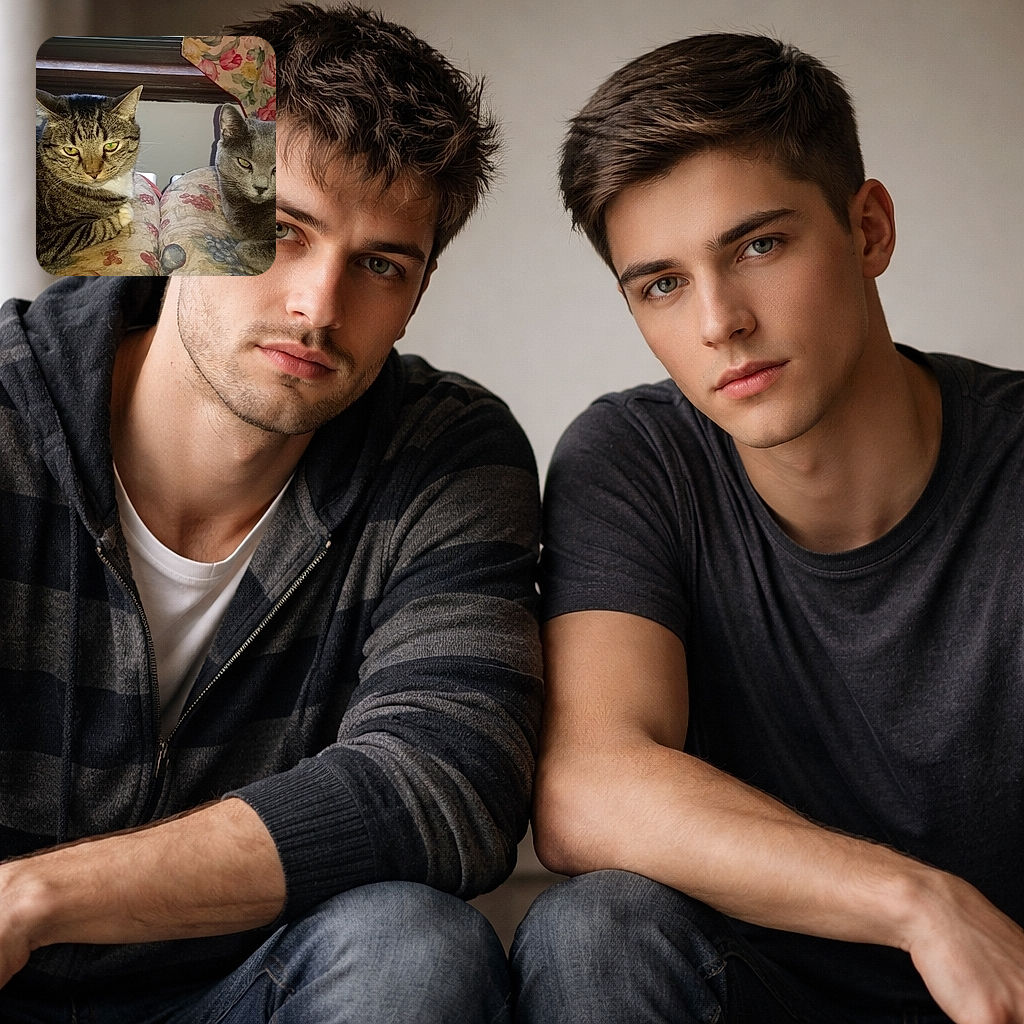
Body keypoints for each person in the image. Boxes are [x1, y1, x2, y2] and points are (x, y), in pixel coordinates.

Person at [0, 4, 542, 1021]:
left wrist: (33, 897)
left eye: (381, 264)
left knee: (412, 947)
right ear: (177, 213)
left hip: (249, 995)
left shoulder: (443, 450)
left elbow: (448, 783)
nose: (318, 304)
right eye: (284, 231)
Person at [511, 32, 1024, 1024]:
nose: (718, 324)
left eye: (758, 245)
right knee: (591, 927)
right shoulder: (634, 458)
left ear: (867, 228)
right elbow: (586, 783)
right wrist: (915, 903)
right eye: (661, 283)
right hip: (755, 991)